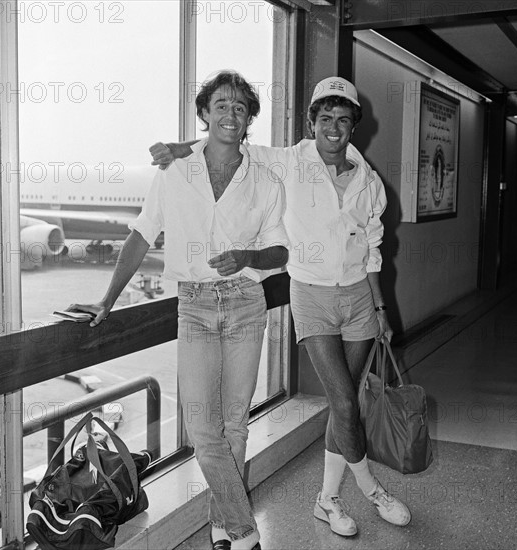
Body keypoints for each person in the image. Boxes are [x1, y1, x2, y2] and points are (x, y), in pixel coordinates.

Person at [150, 76, 411, 538]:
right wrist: (179, 146)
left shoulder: (369, 181)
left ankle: (327, 500)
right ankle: (371, 489)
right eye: (324, 118)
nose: (333, 127)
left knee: (341, 405)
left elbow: (372, 246)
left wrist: (381, 307)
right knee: (346, 404)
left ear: (355, 127)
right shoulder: (289, 161)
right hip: (310, 294)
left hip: (358, 298)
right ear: (311, 123)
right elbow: (228, 140)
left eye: (343, 119)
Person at [68, 70, 290, 550]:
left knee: (234, 423)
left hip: (246, 304)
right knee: (203, 425)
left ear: (249, 117)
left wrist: (248, 258)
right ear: (204, 113)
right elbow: (141, 234)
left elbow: (281, 254)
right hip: (193, 306)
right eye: (221, 105)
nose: (230, 114)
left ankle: (221, 525)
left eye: (240, 107)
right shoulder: (174, 172)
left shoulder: (267, 179)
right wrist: (108, 299)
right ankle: (246, 529)